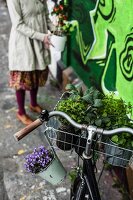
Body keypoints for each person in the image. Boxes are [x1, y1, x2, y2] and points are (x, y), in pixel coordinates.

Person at [7, 0, 55, 125]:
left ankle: (33, 104)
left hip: (39, 40)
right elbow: (18, 24)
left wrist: (55, 30)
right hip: (23, 43)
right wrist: (42, 36)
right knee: (23, 79)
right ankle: (21, 112)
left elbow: (45, 16)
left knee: (36, 73)